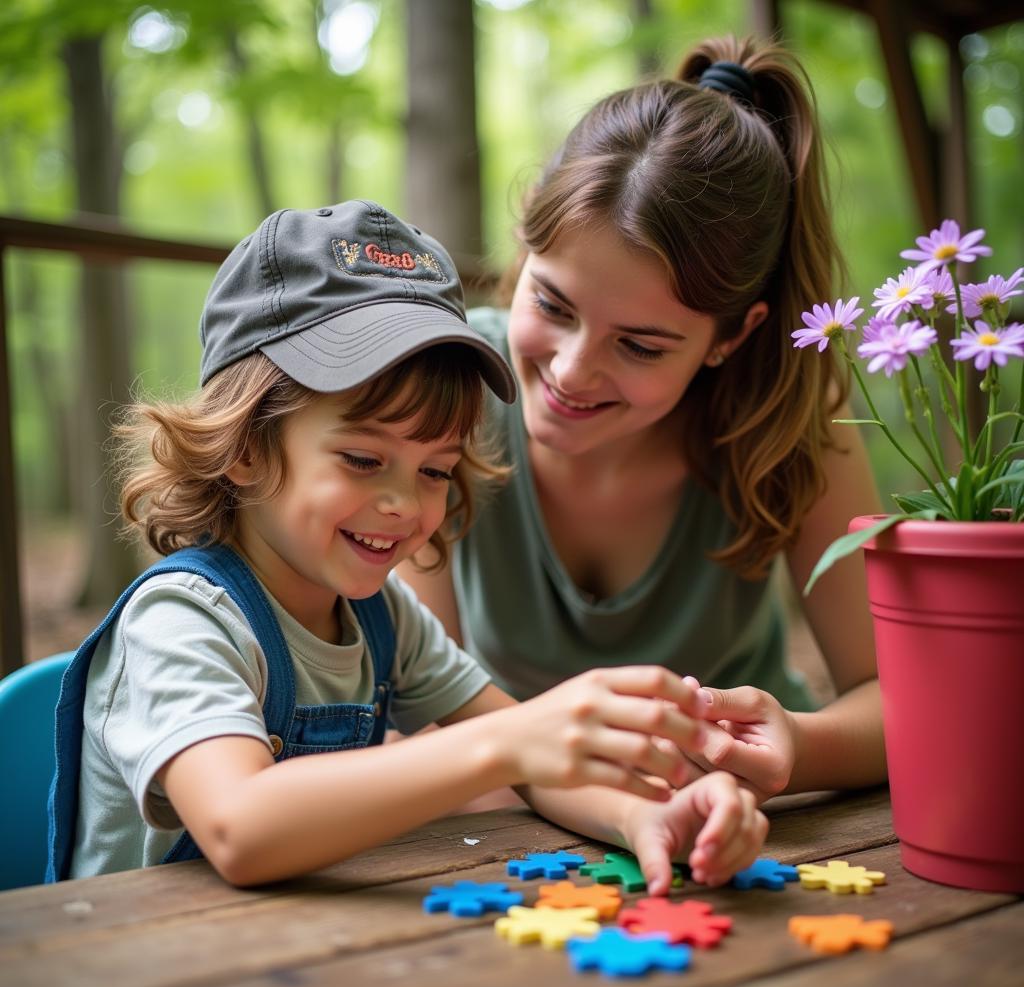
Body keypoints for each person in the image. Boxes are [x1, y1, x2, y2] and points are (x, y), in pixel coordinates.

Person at [46, 200, 766, 894]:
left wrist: (647, 814)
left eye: (434, 471)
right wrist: (505, 744)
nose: (404, 504)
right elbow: (239, 827)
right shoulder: (181, 622)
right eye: (362, 460)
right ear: (246, 448)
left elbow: (536, 764)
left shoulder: (384, 621)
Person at [398, 36, 887, 802]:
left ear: (733, 337)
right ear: (527, 245)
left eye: (641, 345)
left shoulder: (796, 426)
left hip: (745, 821)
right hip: (502, 836)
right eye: (552, 305)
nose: (569, 371)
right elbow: (424, 719)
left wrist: (796, 746)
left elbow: (891, 700)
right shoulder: (447, 391)